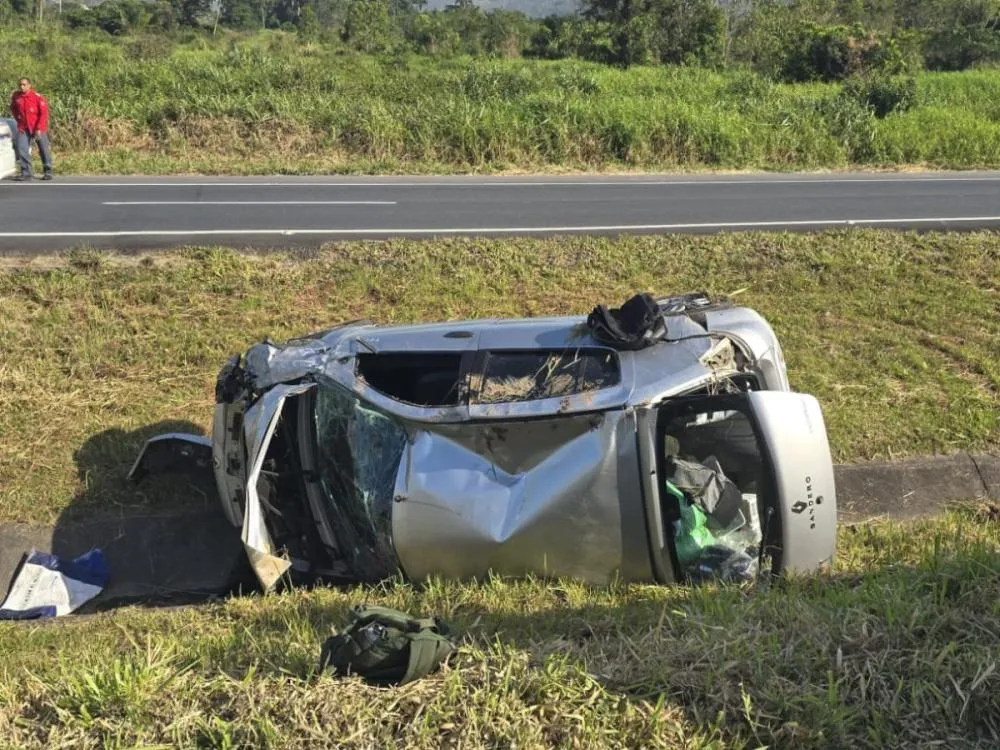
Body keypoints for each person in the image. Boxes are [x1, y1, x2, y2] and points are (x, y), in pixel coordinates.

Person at [9, 77, 53, 181]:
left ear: (29, 85)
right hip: (23, 127)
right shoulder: (16, 96)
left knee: (43, 149)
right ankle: (26, 172)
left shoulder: (37, 97)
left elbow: (43, 114)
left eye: (24, 85)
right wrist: (18, 119)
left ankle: (48, 171)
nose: (22, 87)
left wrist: (38, 128)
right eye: (20, 85)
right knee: (22, 149)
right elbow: (13, 108)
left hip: (38, 127)